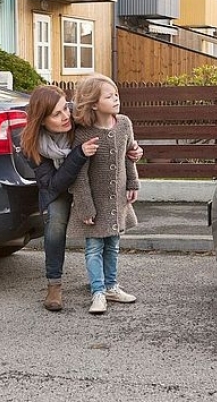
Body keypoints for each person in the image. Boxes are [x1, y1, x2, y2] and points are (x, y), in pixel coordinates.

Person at [20, 85, 142, 312]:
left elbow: (112, 135)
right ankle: (54, 284)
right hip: (58, 188)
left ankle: (104, 283)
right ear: (42, 121)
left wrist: (133, 151)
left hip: (89, 182)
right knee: (55, 224)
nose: (66, 116)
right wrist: (77, 155)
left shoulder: (78, 120)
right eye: (56, 114)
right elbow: (53, 184)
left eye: (64, 108)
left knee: (107, 237)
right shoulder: (32, 146)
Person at [67, 74, 140, 315]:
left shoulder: (124, 124)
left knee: (114, 245)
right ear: (94, 104)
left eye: (116, 94)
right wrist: (85, 207)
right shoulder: (84, 133)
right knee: (93, 248)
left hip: (117, 199)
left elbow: (129, 156)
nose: (116, 99)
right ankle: (97, 292)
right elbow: (80, 174)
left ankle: (111, 286)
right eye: (109, 96)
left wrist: (133, 183)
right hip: (94, 202)